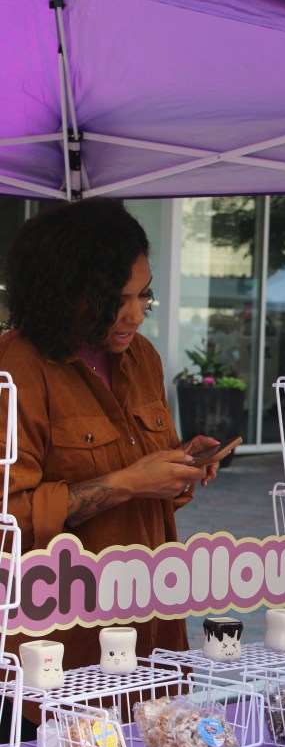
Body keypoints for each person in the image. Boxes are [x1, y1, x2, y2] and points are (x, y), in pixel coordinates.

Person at [0, 198, 229, 694]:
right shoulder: (18, 367)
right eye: (116, 300)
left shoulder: (143, 357)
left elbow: (151, 486)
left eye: (144, 296)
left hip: (153, 633)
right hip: (59, 652)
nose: (135, 315)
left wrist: (179, 466)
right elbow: (10, 517)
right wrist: (127, 483)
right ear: (66, 292)